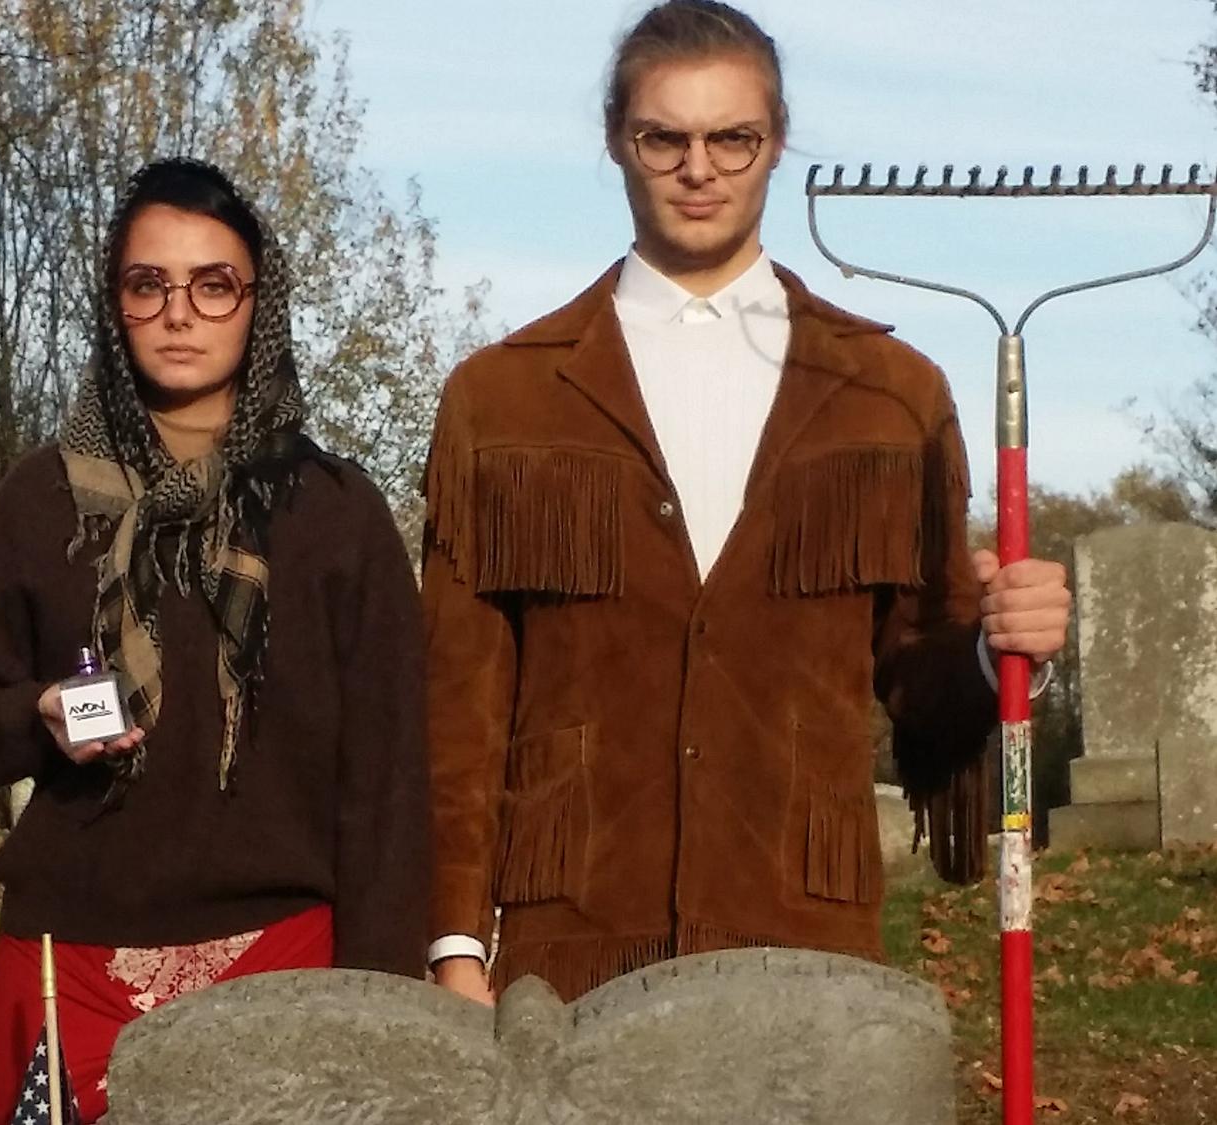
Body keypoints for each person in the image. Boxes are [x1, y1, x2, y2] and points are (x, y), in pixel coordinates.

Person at [424, 0, 1070, 1006]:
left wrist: (997, 648)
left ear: (776, 145)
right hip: (574, 948)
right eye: (663, 137)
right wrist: (455, 942)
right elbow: (459, 710)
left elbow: (919, 675)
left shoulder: (889, 390)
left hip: (805, 945)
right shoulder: (502, 396)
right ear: (616, 143)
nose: (700, 167)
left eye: (733, 137)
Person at [0, 158, 429, 1121]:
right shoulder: (42, 500)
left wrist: (385, 1004)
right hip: (75, 967)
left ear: (257, 303)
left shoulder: (335, 514)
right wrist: (37, 717)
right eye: (147, 285)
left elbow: (391, 786)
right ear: (116, 304)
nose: (179, 313)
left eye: (213, 284)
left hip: (286, 970)